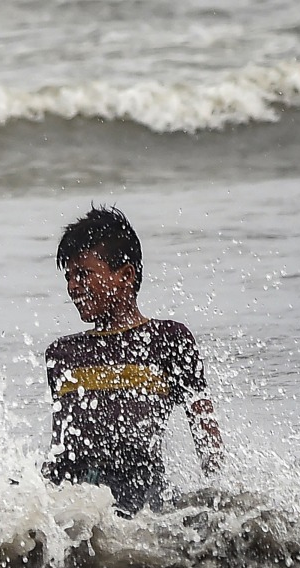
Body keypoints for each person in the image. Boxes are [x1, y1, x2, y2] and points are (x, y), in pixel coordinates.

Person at [41, 205, 224, 515]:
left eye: (83, 274)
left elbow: (206, 431)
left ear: (125, 275)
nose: (73, 286)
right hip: (77, 504)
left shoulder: (169, 340)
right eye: (69, 276)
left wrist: (217, 498)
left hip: (145, 500)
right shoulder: (62, 355)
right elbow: (61, 449)